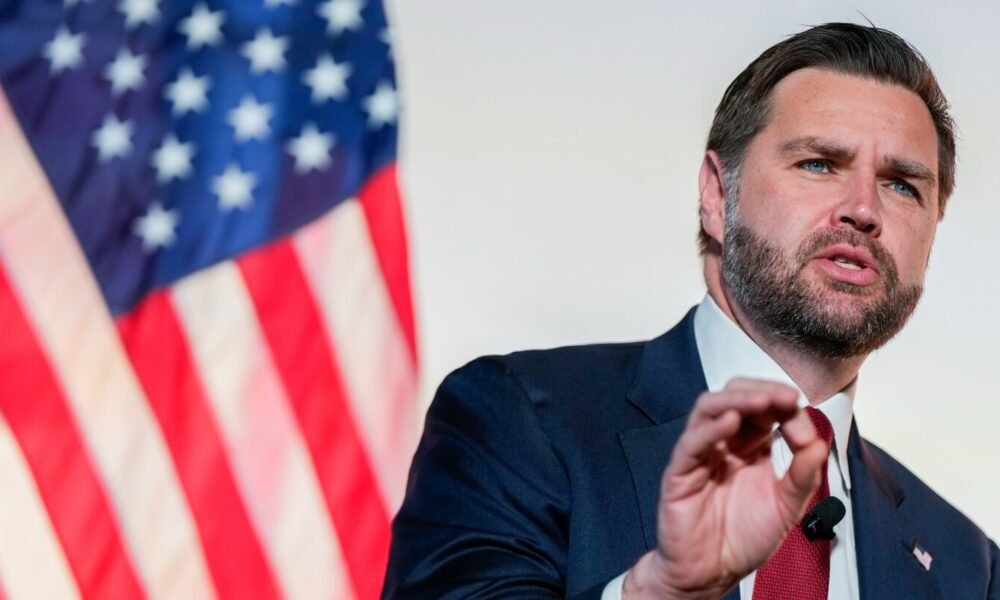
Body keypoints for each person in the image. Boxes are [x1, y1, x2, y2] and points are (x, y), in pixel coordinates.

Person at [382, 23, 1000, 599]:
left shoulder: (969, 566)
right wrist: (661, 591)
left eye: (902, 184)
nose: (863, 208)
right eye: (818, 164)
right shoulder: (519, 421)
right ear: (715, 194)